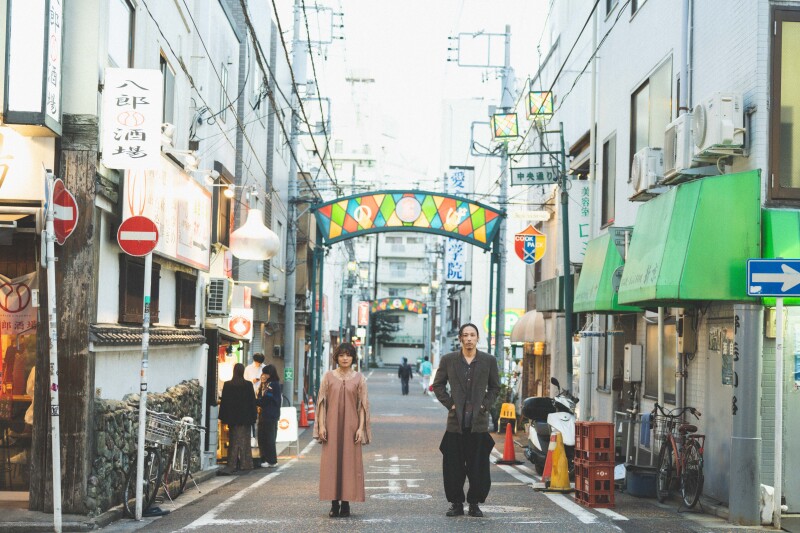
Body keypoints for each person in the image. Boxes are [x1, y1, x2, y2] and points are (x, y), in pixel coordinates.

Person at [432, 323, 500, 518]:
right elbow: (438, 385)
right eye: (465, 335)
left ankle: (474, 503)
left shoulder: (488, 361)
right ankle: (456, 503)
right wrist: (450, 404)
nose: (469, 339)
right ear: (460, 338)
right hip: (456, 423)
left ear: (478, 338)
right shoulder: (449, 360)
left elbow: (495, 387)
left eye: (473, 335)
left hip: (478, 423)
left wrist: (484, 405)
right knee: (453, 466)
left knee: (478, 466)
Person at [314, 343, 371, 518]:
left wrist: (361, 428)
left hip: (352, 426)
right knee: (331, 464)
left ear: (353, 357)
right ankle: (334, 504)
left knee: (349, 463)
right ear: (336, 358)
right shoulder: (328, 377)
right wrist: (322, 425)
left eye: (348, 355)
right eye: (341, 355)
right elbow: (322, 402)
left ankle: (346, 503)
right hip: (331, 425)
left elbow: (363, 406)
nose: (345, 358)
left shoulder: (359, 378)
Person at [218, 363, 257, 474]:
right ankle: (246, 463)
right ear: (243, 371)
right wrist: (253, 417)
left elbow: (225, 402)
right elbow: (252, 402)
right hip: (246, 419)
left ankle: (232, 464)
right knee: (245, 441)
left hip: (233, 419)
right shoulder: (248, 385)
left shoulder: (228, 385)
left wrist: (224, 417)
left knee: (234, 441)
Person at [255, 364, 281, 468]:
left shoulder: (272, 385)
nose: (263, 375)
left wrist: (255, 402)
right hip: (269, 414)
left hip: (269, 415)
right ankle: (266, 459)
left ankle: (271, 460)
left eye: (265, 373)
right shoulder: (269, 384)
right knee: (264, 437)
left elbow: (267, 399)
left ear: (269, 374)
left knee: (268, 438)